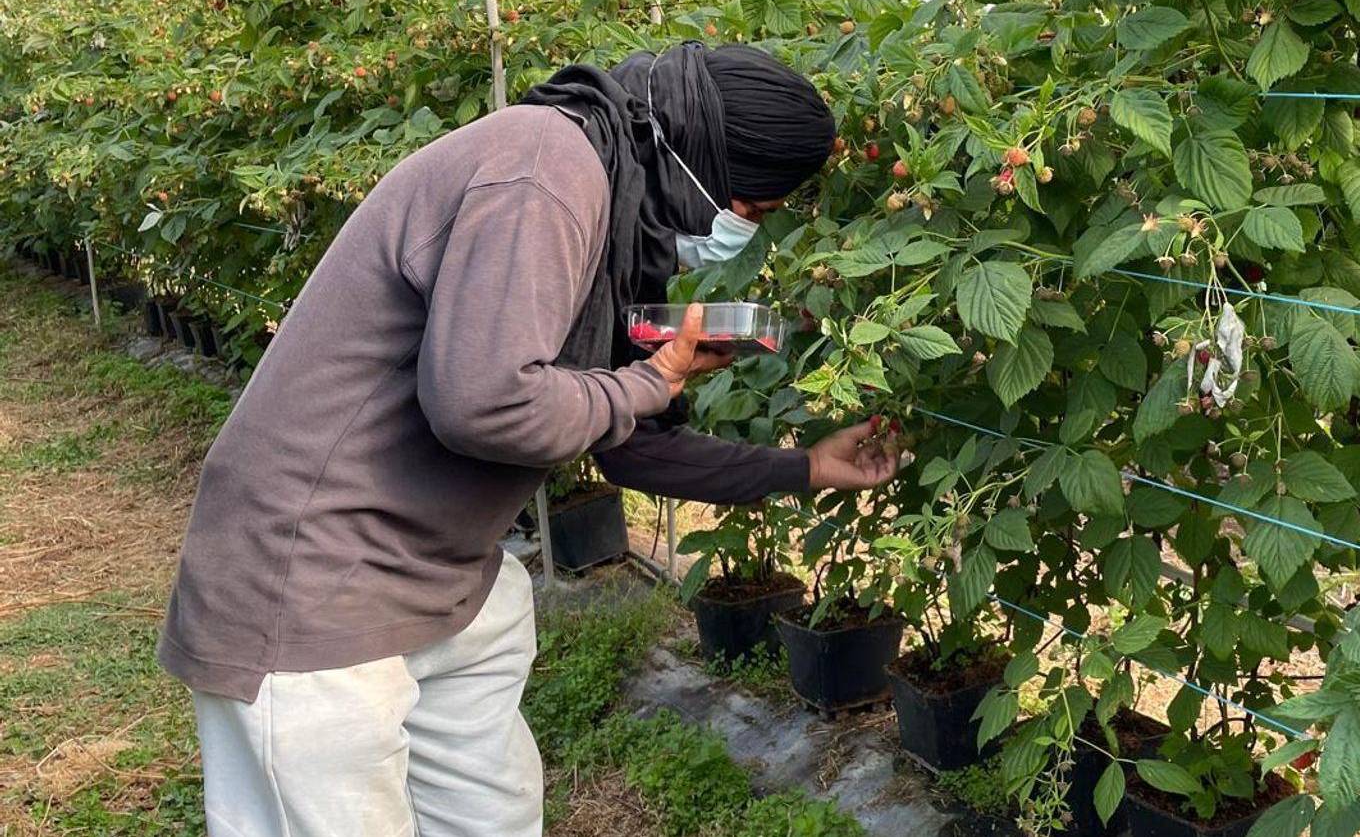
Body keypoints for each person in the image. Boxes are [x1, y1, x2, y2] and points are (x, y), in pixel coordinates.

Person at [156, 42, 897, 836]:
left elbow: (623, 439)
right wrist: (651, 381)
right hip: (311, 585)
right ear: (702, 157)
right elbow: (483, 402)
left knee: (494, 815)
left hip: (440, 577)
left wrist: (804, 467)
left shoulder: (614, 205)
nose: (740, 229)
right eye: (749, 208)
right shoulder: (545, 169)